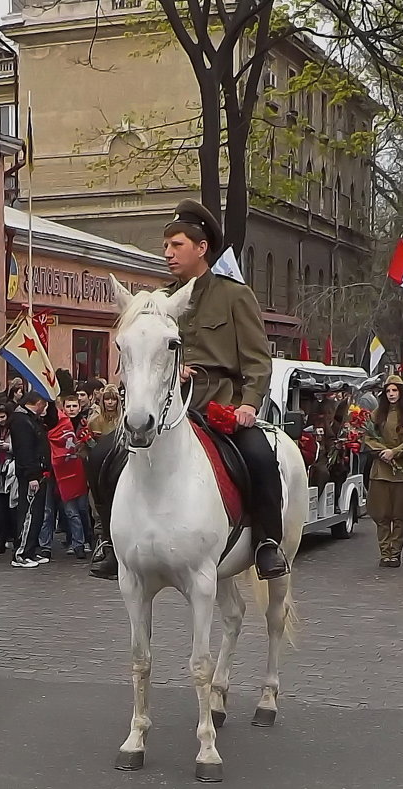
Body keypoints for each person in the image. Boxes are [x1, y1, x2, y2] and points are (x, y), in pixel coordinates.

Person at [90, 199, 288, 581]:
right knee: (101, 455)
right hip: (170, 409)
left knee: (261, 458)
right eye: (165, 246)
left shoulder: (234, 296)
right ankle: (110, 540)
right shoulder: (159, 301)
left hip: (221, 408)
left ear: (201, 248)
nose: (167, 254)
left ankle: (266, 542)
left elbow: (257, 359)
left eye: (176, 245)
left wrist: (249, 404)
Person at [364, 375, 403, 568]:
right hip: (380, 471)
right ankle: (384, 553)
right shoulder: (376, 414)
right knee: (381, 516)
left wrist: (395, 452)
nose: (391, 394)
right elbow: (367, 438)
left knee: (399, 516)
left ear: (401, 392)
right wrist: (382, 452)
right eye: (388, 391)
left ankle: (395, 554)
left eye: (394, 390)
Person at [10, 390, 52, 569]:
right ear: (38, 402)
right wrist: (32, 475)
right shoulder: (21, 421)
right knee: (28, 513)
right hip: (31, 476)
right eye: (45, 404)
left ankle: (31, 549)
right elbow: (25, 451)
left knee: (37, 514)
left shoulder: (31, 419)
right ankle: (21, 553)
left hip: (40, 473)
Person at [49, 397, 90, 560]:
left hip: (81, 472)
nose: (72, 409)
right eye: (69, 406)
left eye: (74, 406)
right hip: (64, 473)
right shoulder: (57, 425)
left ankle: (86, 539)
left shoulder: (84, 424)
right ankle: (77, 543)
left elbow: (92, 447)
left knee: (82, 509)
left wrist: (87, 441)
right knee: (70, 511)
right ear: (64, 408)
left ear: (79, 408)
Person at [0, 403, 17, 554]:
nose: (0, 420)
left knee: (12, 510)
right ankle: (1, 541)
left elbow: (19, 446)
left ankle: (15, 539)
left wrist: (7, 446)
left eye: (3, 417)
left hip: (11, 471)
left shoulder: (13, 428)